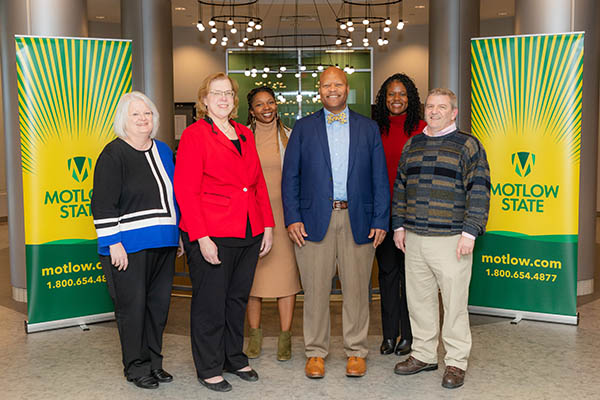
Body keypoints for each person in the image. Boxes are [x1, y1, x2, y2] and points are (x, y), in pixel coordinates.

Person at [282, 66, 390, 379]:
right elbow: (291, 178)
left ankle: (356, 351)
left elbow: (379, 178)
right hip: (315, 219)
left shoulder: (368, 129)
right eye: (327, 85)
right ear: (320, 90)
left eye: (338, 84)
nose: (333, 89)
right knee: (315, 289)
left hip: (359, 218)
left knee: (357, 289)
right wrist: (292, 218)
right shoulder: (303, 128)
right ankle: (316, 352)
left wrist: (381, 218)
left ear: (347, 88)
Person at [174, 72, 274, 393]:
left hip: (248, 229)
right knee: (210, 302)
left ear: (234, 100)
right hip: (211, 233)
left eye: (228, 93)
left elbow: (257, 183)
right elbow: (185, 191)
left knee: (236, 299)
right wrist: (201, 237)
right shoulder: (195, 135)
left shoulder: (244, 133)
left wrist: (267, 225)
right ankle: (209, 365)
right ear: (204, 100)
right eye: (216, 93)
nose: (222, 98)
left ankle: (233, 356)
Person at [391, 88, 490, 389]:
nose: (434, 111)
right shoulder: (413, 145)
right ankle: (423, 354)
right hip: (415, 238)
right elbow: (400, 187)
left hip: (451, 239)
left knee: (455, 304)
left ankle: (456, 361)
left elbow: (480, 190)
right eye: (430, 106)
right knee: (419, 302)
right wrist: (398, 226)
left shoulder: (468, 145)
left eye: (442, 107)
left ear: (454, 113)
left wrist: (470, 231)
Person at [91, 91, 180, 390]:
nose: (144, 119)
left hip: (164, 241)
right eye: (136, 115)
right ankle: (136, 366)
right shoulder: (113, 154)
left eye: (148, 114)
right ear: (123, 121)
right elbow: (102, 204)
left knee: (158, 307)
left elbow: (173, 195)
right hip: (127, 247)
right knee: (133, 308)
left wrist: (177, 233)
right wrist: (113, 243)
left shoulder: (165, 150)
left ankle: (155, 362)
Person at [245, 86, 301, 361]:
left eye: (270, 102)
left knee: (286, 278)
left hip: (284, 217)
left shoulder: (291, 137)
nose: (266, 108)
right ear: (251, 110)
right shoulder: (242, 137)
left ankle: (285, 337)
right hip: (252, 217)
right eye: (259, 104)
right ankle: (254, 335)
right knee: (252, 279)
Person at [372, 74, 427, 356]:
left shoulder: (422, 129)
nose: (396, 99)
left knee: (412, 279)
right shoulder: (374, 129)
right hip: (383, 217)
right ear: (384, 98)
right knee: (388, 276)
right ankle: (388, 335)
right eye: (391, 94)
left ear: (411, 98)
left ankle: (409, 335)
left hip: (412, 217)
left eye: (402, 94)